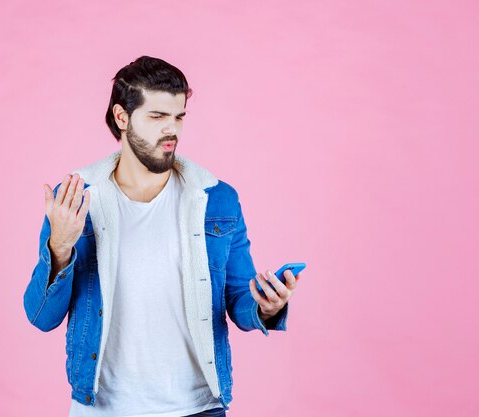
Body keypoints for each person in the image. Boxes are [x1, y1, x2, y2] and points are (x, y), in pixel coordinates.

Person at [23, 56, 303, 417]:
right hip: (102, 409)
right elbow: (41, 316)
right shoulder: (76, 199)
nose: (171, 130)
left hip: (199, 408)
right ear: (122, 117)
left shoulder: (217, 199)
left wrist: (267, 308)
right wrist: (60, 246)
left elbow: (237, 299)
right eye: (157, 117)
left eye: (179, 117)